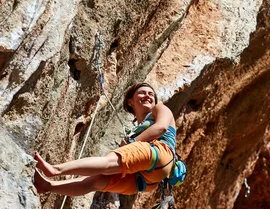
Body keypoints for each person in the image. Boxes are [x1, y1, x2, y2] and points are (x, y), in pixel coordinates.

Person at [33, 83, 176, 197]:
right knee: (96, 181)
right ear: (130, 102)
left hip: (160, 153)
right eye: (142, 93)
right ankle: (47, 186)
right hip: (148, 179)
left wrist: (132, 142)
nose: (148, 96)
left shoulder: (160, 108)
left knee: (107, 162)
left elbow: (161, 128)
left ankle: (55, 170)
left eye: (151, 94)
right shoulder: (136, 128)